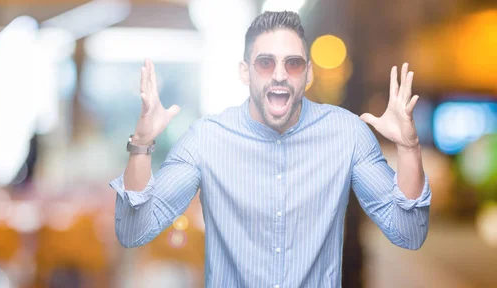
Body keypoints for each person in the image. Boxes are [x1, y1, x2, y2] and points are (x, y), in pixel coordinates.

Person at [109, 10, 431, 288]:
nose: (279, 74)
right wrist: (140, 144)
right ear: (244, 72)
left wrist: (408, 147)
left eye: (293, 63)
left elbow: (408, 233)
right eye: (265, 63)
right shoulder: (206, 140)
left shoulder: (347, 134)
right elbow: (134, 230)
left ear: (307, 74)